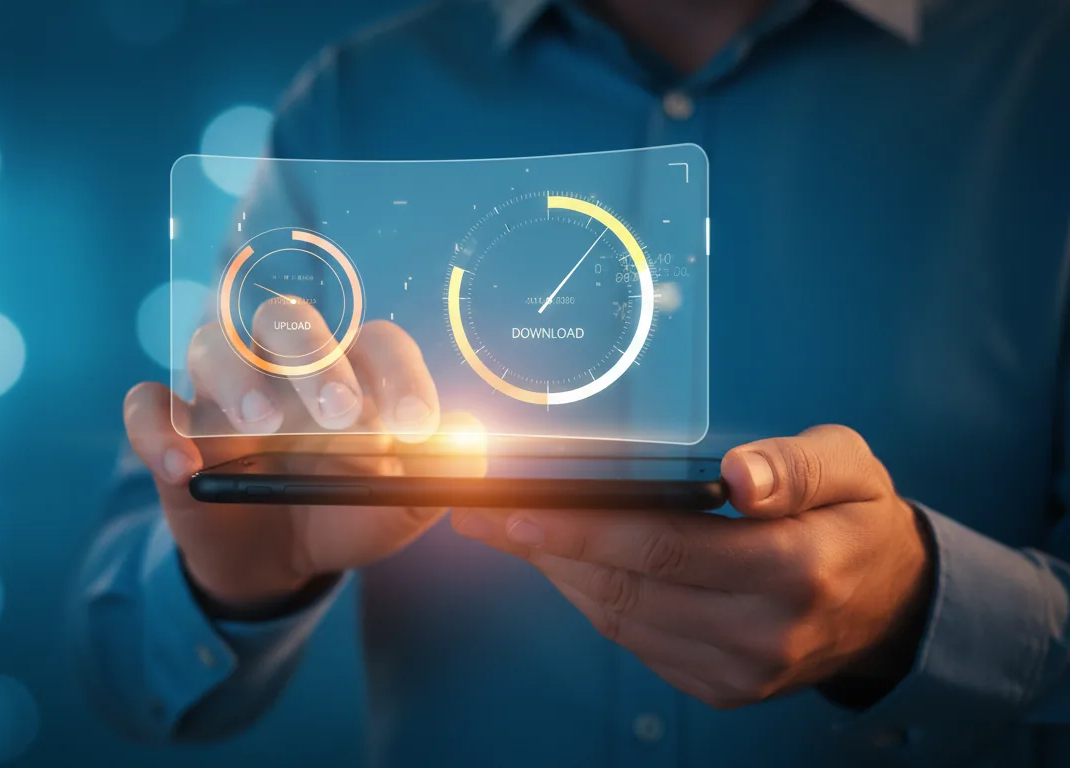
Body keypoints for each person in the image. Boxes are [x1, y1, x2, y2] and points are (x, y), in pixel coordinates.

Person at [72, 0, 1070, 764]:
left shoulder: (1045, 79)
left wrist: (918, 614)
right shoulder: (356, 100)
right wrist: (243, 575)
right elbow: (127, 676)